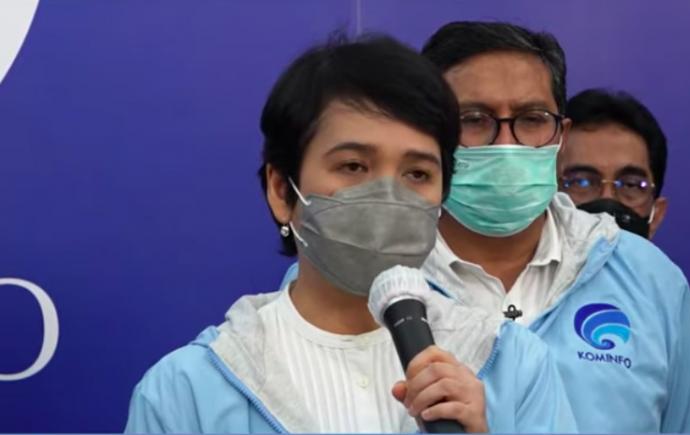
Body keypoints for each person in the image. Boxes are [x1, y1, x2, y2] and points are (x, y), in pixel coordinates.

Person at [124, 35, 576, 433]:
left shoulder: (512, 361)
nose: (389, 196)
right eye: (354, 166)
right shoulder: (188, 389)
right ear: (282, 191)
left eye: (418, 173)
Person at [418, 21, 690, 432]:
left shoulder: (650, 280)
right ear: (430, 130)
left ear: (561, 135)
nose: (507, 145)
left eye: (532, 119)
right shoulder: (379, 278)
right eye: (475, 118)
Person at [559, 88, 690, 432]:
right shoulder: (516, 299)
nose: (608, 202)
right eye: (582, 181)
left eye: (631, 185)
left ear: (656, 214)